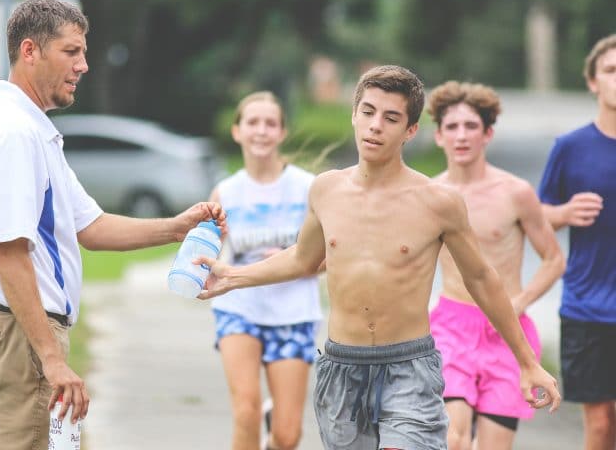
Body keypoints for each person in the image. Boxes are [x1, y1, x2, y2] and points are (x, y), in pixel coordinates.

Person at [197, 65, 561, 450]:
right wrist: (233, 275)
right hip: (342, 365)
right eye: (368, 112)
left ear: (410, 131)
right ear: (354, 115)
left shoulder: (438, 202)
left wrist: (526, 361)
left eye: (391, 118)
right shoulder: (326, 190)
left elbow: (482, 279)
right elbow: (302, 260)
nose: (375, 126)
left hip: (409, 367)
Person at [0, 0, 225, 450]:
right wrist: (51, 359)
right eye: (71, 52)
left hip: (13, 328)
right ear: (31, 51)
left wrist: (176, 227)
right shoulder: (14, 132)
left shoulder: (33, 130)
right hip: (13, 329)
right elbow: (7, 251)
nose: (85, 65)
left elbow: (90, 226)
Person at [426, 81, 565, 450]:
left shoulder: (515, 192)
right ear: (438, 136)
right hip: (451, 328)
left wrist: (518, 303)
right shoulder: (429, 197)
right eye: (452, 127)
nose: (461, 136)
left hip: (507, 330)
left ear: (487, 134)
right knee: (452, 439)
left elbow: (554, 259)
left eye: (471, 126)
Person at [208, 91, 322, 450]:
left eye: (270, 123)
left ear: (282, 132)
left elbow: (332, 255)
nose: (261, 131)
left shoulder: (308, 188)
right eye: (252, 123)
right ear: (237, 131)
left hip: (293, 311)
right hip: (239, 309)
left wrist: (296, 264)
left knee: (287, 437)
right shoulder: (225, 192)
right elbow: (205, 251)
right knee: (246, 411)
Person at [538, 34, 616, 450]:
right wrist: (563, 213)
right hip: (588, 306)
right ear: (593, 82)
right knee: (601, 424)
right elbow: (536, 216)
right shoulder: (570, 147)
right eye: (611, 70)